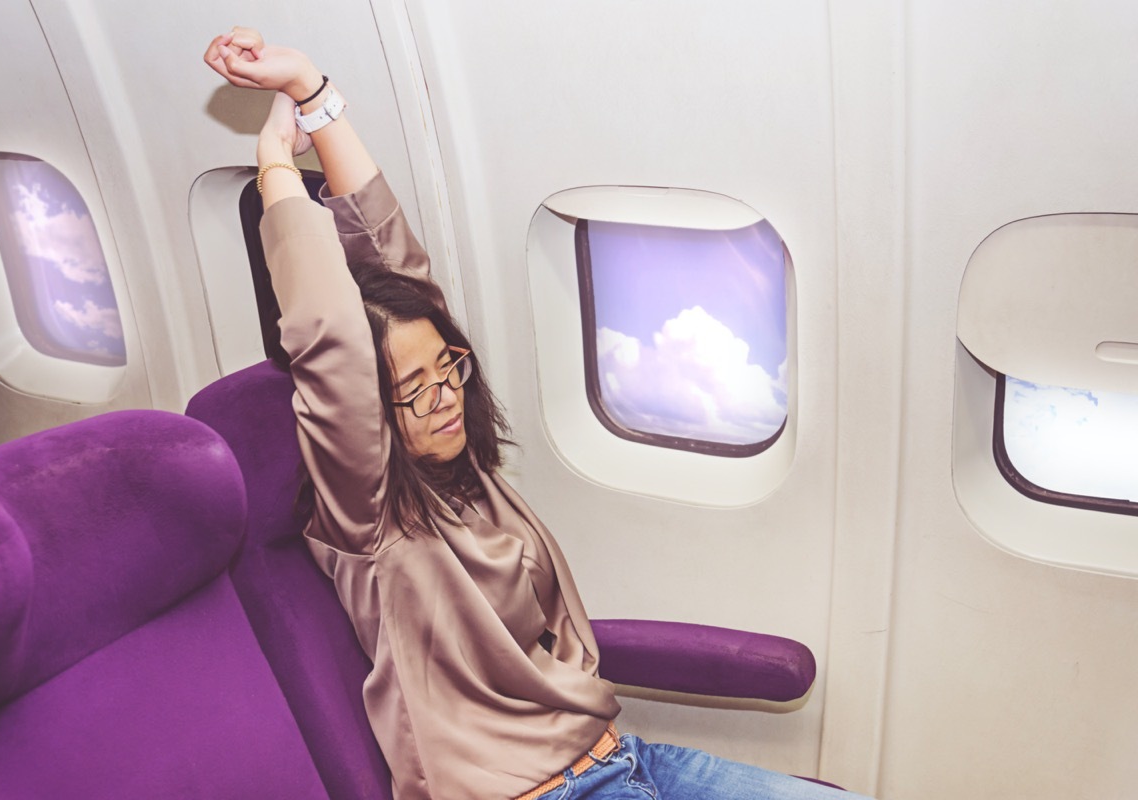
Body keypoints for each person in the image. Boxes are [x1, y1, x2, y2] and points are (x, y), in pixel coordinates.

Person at [204, 28, 870, 800]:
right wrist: (277, 167)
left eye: (447, 367)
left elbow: (399, 271)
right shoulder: (370, 520)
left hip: (623, 757)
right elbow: (333, 338)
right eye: (412, 389)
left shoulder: (464, 471)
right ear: (365, 417)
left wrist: (313, 93)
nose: (444, 393)